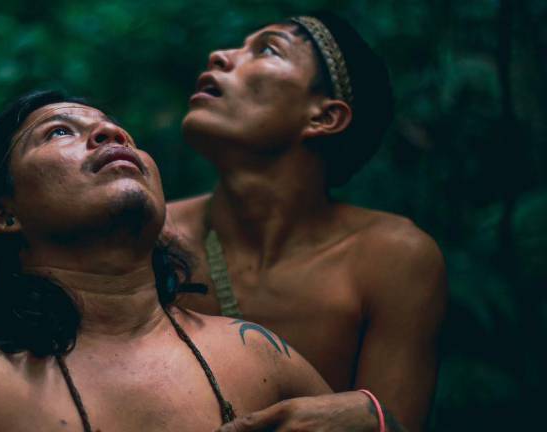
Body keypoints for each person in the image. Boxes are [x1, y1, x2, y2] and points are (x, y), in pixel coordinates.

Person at [0, 90, 395, 432]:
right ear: (2, 214)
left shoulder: (258, 356)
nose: (112, 133)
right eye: (59, 132)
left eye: (118, 131)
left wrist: (377, 421)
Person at [169, 12, 447, 431]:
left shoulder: (392, 260)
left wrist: (371, 418)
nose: (220, 55)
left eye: (267, 49)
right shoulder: (153, 236)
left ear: (324, 117)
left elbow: (393, 422)